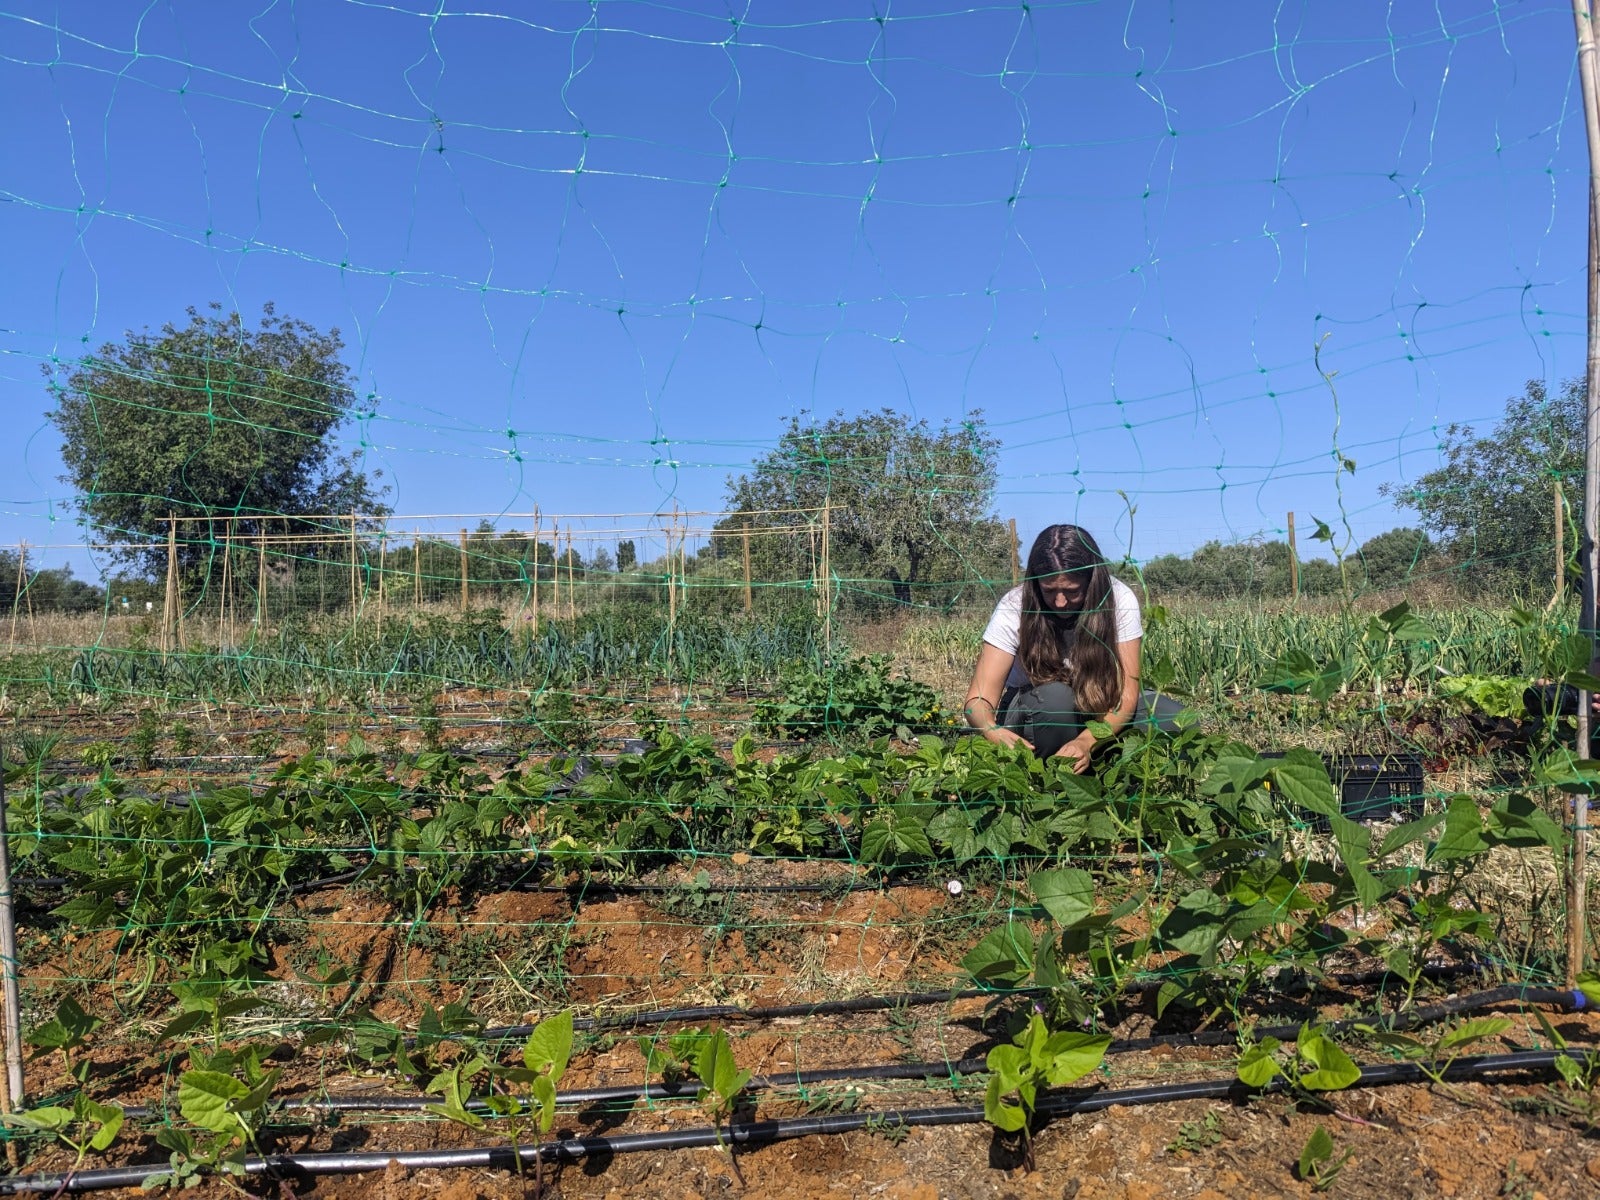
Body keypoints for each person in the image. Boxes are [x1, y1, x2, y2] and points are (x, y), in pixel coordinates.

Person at [964, 524, 1182, 773]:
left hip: (1099, 702)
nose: (1060, 602)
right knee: (1057, 700)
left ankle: (1124, 781)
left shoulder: (1119, 600)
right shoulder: (1014, 605)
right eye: (1048, 590)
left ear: (1092, 581)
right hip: (1034, 709)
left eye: (1072, 591)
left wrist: (1087, 741)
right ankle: (1047, 782)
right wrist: (992, 730)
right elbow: (977, 700)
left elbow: (1127, 696)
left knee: (1171, 718)